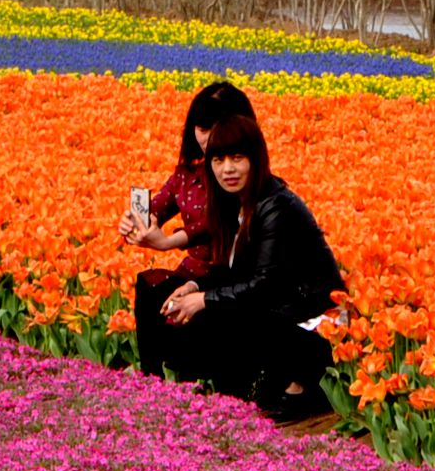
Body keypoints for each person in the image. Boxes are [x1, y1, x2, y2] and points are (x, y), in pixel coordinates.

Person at [135, 107, 345, 423]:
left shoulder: (276, 206)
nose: (227, 169)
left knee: (216, 320)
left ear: (256, 158)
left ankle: (301, 386)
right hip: (279, 307)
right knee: (182, 318)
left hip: (317, 317)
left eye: (237, 158)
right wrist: (194, 286)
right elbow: (234, 271)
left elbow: (265, 285)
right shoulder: (237, 202)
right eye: (218, 160)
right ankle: (250, 387)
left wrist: (202, 300)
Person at [118, 82, 248, 371]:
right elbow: (159, 206)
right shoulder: (187, 174)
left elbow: (213, 223)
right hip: (193, 272)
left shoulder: (236, 173)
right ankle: (153, 381)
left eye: (216, 127)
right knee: (150, 286)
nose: (207, 137)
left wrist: (166, 242)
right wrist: (134, 222)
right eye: (201, 128)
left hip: (228, 275)